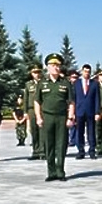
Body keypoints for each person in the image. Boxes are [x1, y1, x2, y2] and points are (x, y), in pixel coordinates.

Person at [35, 53, 75, 182]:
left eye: (57, 65)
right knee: (49, 144)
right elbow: (37, 101)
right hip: (47, 117)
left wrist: (70, 117)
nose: (55, 68)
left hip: (62, 117)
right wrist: (38, 117)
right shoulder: (42, 83)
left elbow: (71, 102)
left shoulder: (65, 83)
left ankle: (60, 171)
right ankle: (51, 171)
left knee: (61, 144)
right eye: (53, 65)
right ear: (47, 67)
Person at [73, 63, 100, 159]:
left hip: (90, 111)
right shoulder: (76, 83)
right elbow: (74, 99)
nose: (87, 73)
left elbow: (97, 99)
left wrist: (97, 112)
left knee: (91, 132)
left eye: (88, 72)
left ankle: (92, 150)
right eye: (85, 71)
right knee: (79, 132)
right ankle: (81, 151)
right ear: (82, 72)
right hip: (79, 111)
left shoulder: (95, 84)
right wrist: (73, 113)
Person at [23, 65, 44, 160]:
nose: (37, 74)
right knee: (34, 131)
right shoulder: (28, 84)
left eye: (38, 72)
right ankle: (35, 151)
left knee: (42, 130)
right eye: (35, 73)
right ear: (31, 74)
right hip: (31, 109)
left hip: (42, 109)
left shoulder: (44, 83)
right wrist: (25, 111)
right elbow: (26, 98)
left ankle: (43, 151)